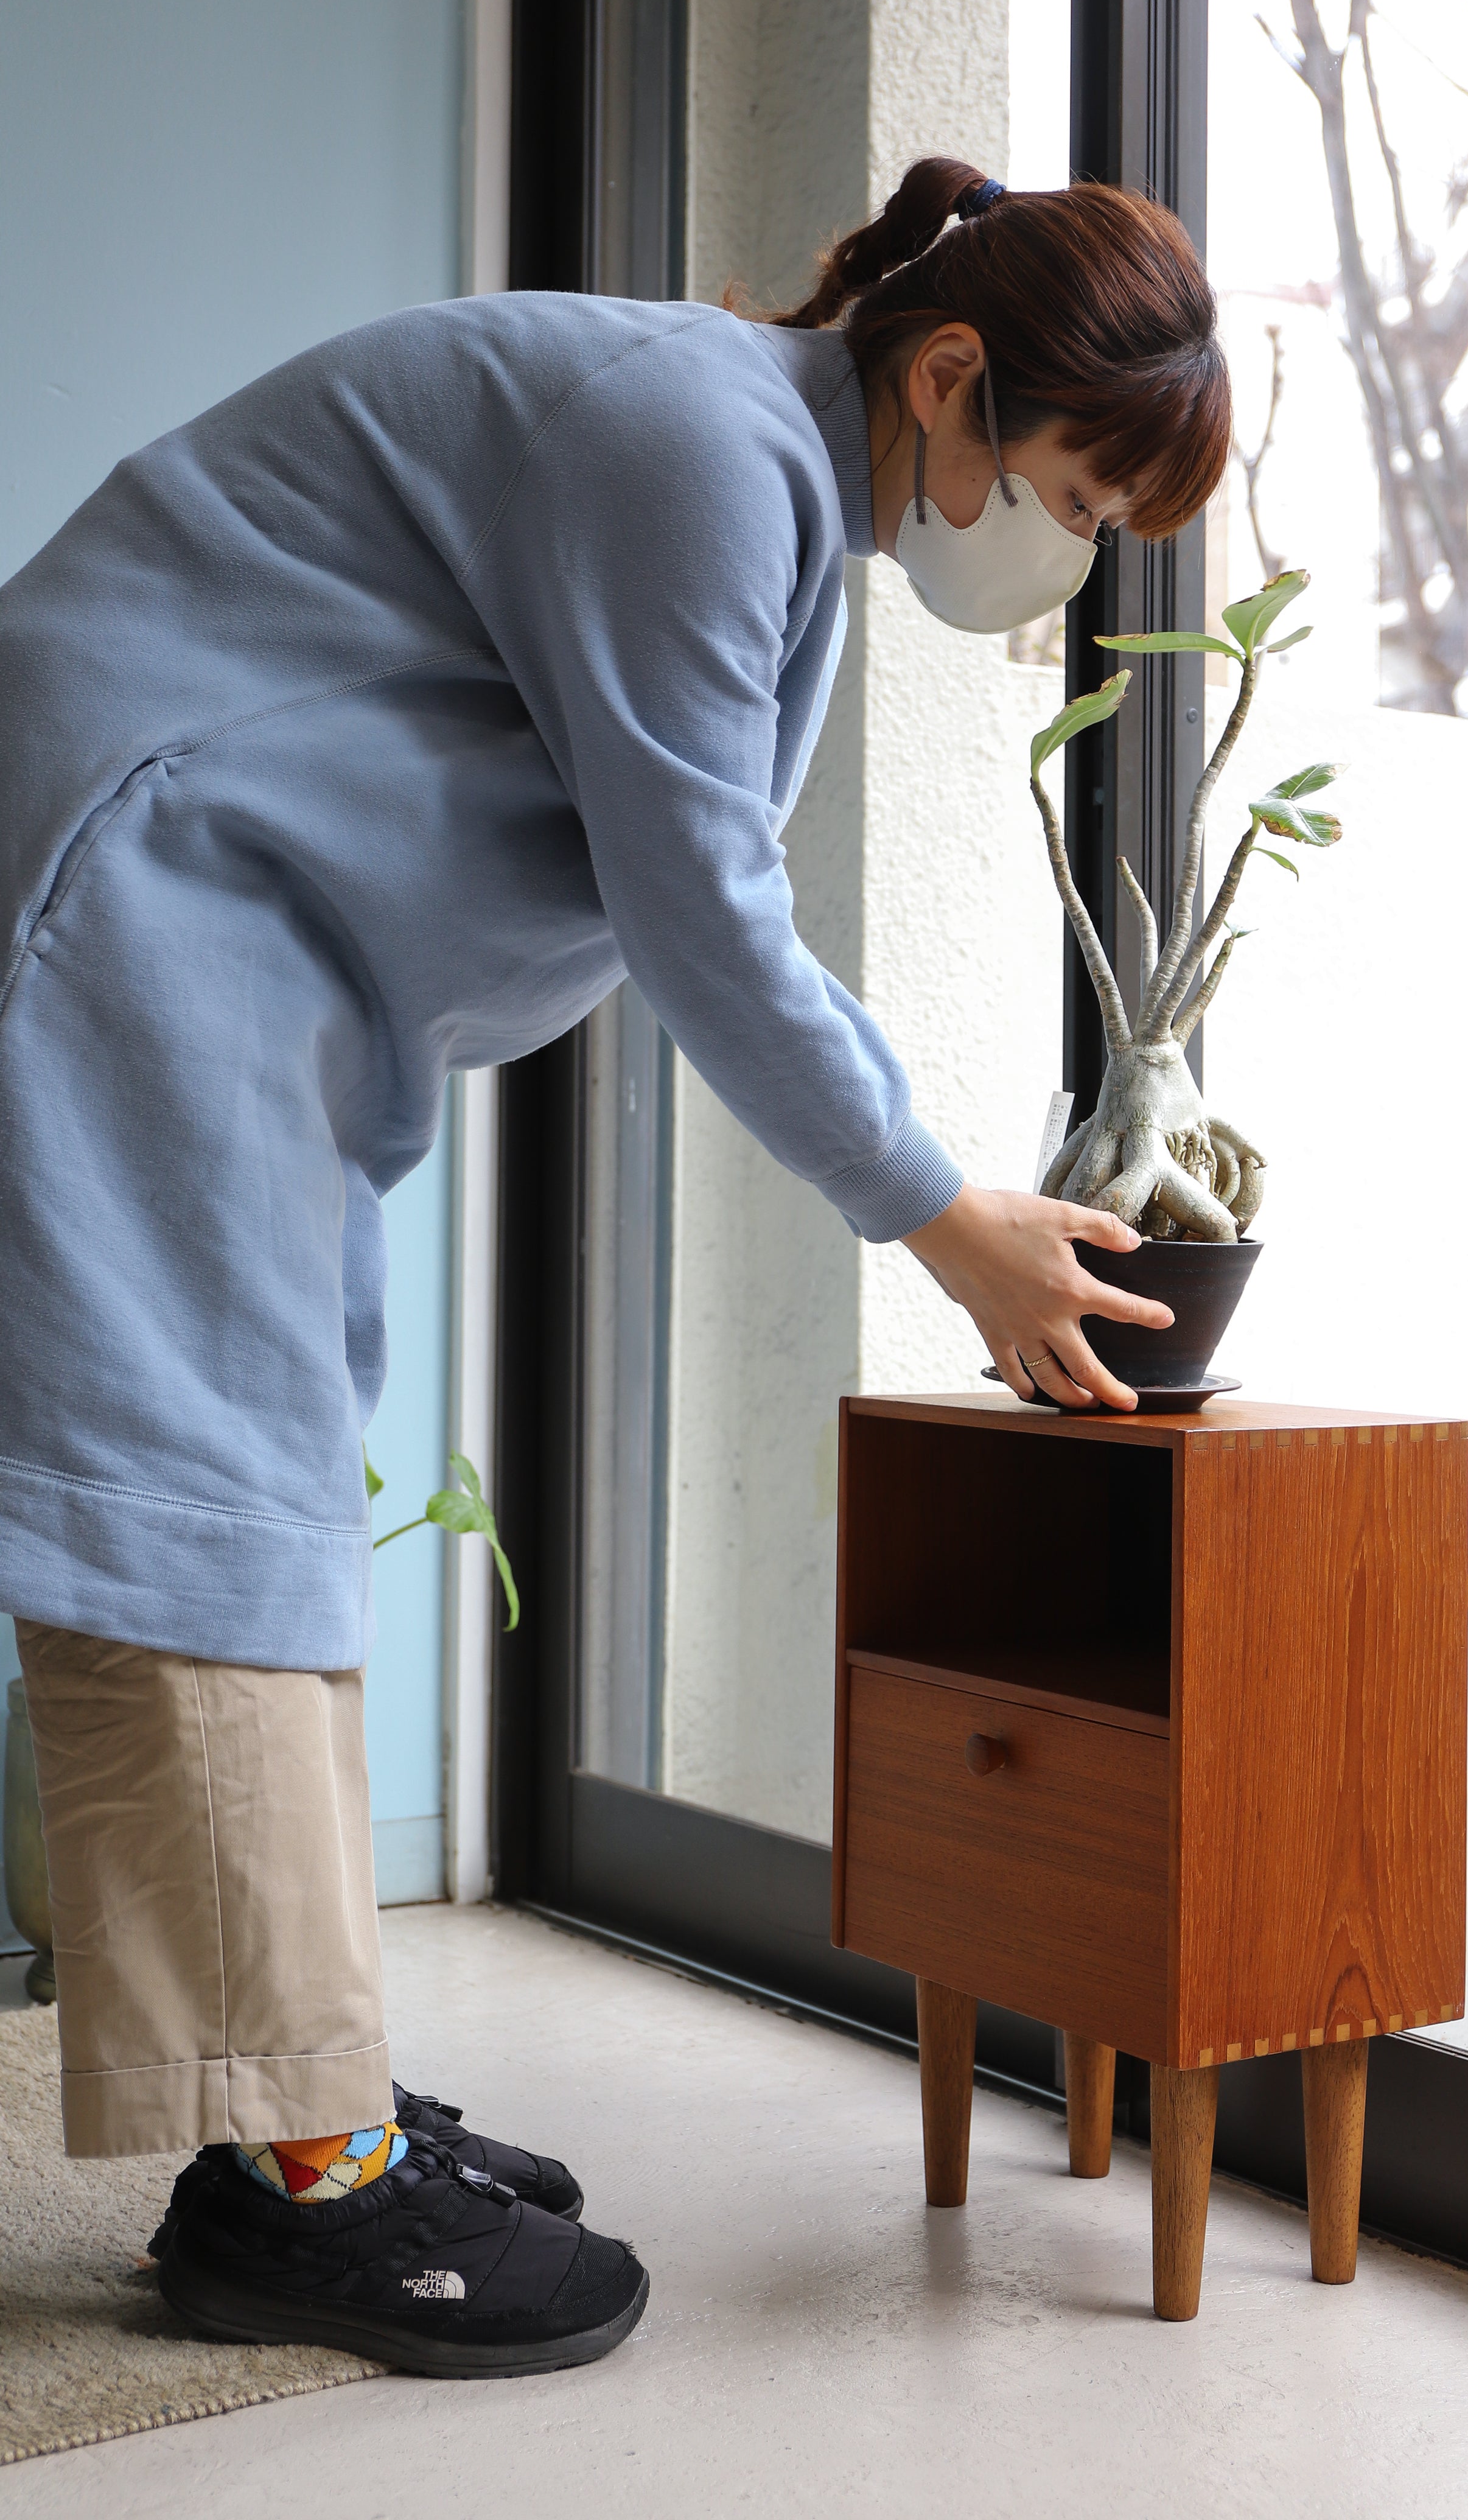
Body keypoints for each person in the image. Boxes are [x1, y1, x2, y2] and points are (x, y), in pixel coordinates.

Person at [0, 157, 1230, 2375]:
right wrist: (940, 1212)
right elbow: (696, 897)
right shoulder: (699, 438)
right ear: (951, 380)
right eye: (1073, 499)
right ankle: (299, 2177)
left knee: (245, 1485)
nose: (1062, 565)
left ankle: (294, 2106)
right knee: (200, 1507)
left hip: (230, 943)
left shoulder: (773, 485)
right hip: (136, 897)